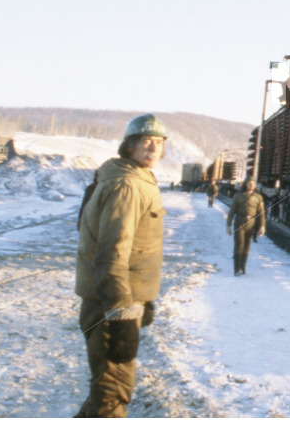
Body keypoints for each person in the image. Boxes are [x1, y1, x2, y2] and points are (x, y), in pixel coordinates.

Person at [74, 114, 168, 418]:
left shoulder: (136, 179)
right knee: (111, 396)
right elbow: (112, 253)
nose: (153, 149)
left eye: (159, 143)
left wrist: (143, 298)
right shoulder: (128, 185)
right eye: (146, 142)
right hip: (110, 306)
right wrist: (122, 313)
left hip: (119, 300)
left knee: (106, 390)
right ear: (130, 146)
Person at [226, 178, 265, 275]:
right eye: (249, 183)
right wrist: (228, 225)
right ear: (245, 184)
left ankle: (243, 268)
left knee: (247, 247)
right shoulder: (238, 196)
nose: (251, 185)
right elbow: (231, 212)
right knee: (239, 245)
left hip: (251, 223)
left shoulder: (258, 197)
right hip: (240, 222)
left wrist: (262, 226)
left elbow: (261, 213)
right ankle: (237, 269)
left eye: (252, 183)